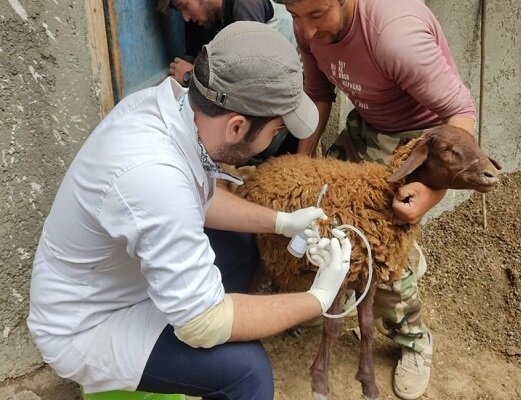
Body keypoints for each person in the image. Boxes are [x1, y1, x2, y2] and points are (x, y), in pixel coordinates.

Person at [27, 22, 352, 399]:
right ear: (237, 126)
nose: (277, 139)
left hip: (116, 280)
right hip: (88, 323)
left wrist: (280, 222)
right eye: (277, 130)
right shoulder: (153, 177)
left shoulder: (169, 109)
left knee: (242, 245)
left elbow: (200, 199)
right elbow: (202, 324)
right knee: (247, 374)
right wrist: (317, 298)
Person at [273, 0, 477, 398]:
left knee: (379, 256)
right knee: (316, 211)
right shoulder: (307, 21)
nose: (306, 31)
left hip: (420, 140)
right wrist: (300, 170)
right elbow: (318, 93)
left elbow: (460, 115)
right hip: (367, 126)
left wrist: (431, 193)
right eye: (296, 16)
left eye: (317, 15)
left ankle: (414, 341)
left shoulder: (394, 36)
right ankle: (324, 298)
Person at [157, 0, 295, 87]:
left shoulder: (245, 5)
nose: (186, 18)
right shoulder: (217, 18)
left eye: (185, 7)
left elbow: (247, 81)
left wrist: (190, 77)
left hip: (291, 89)